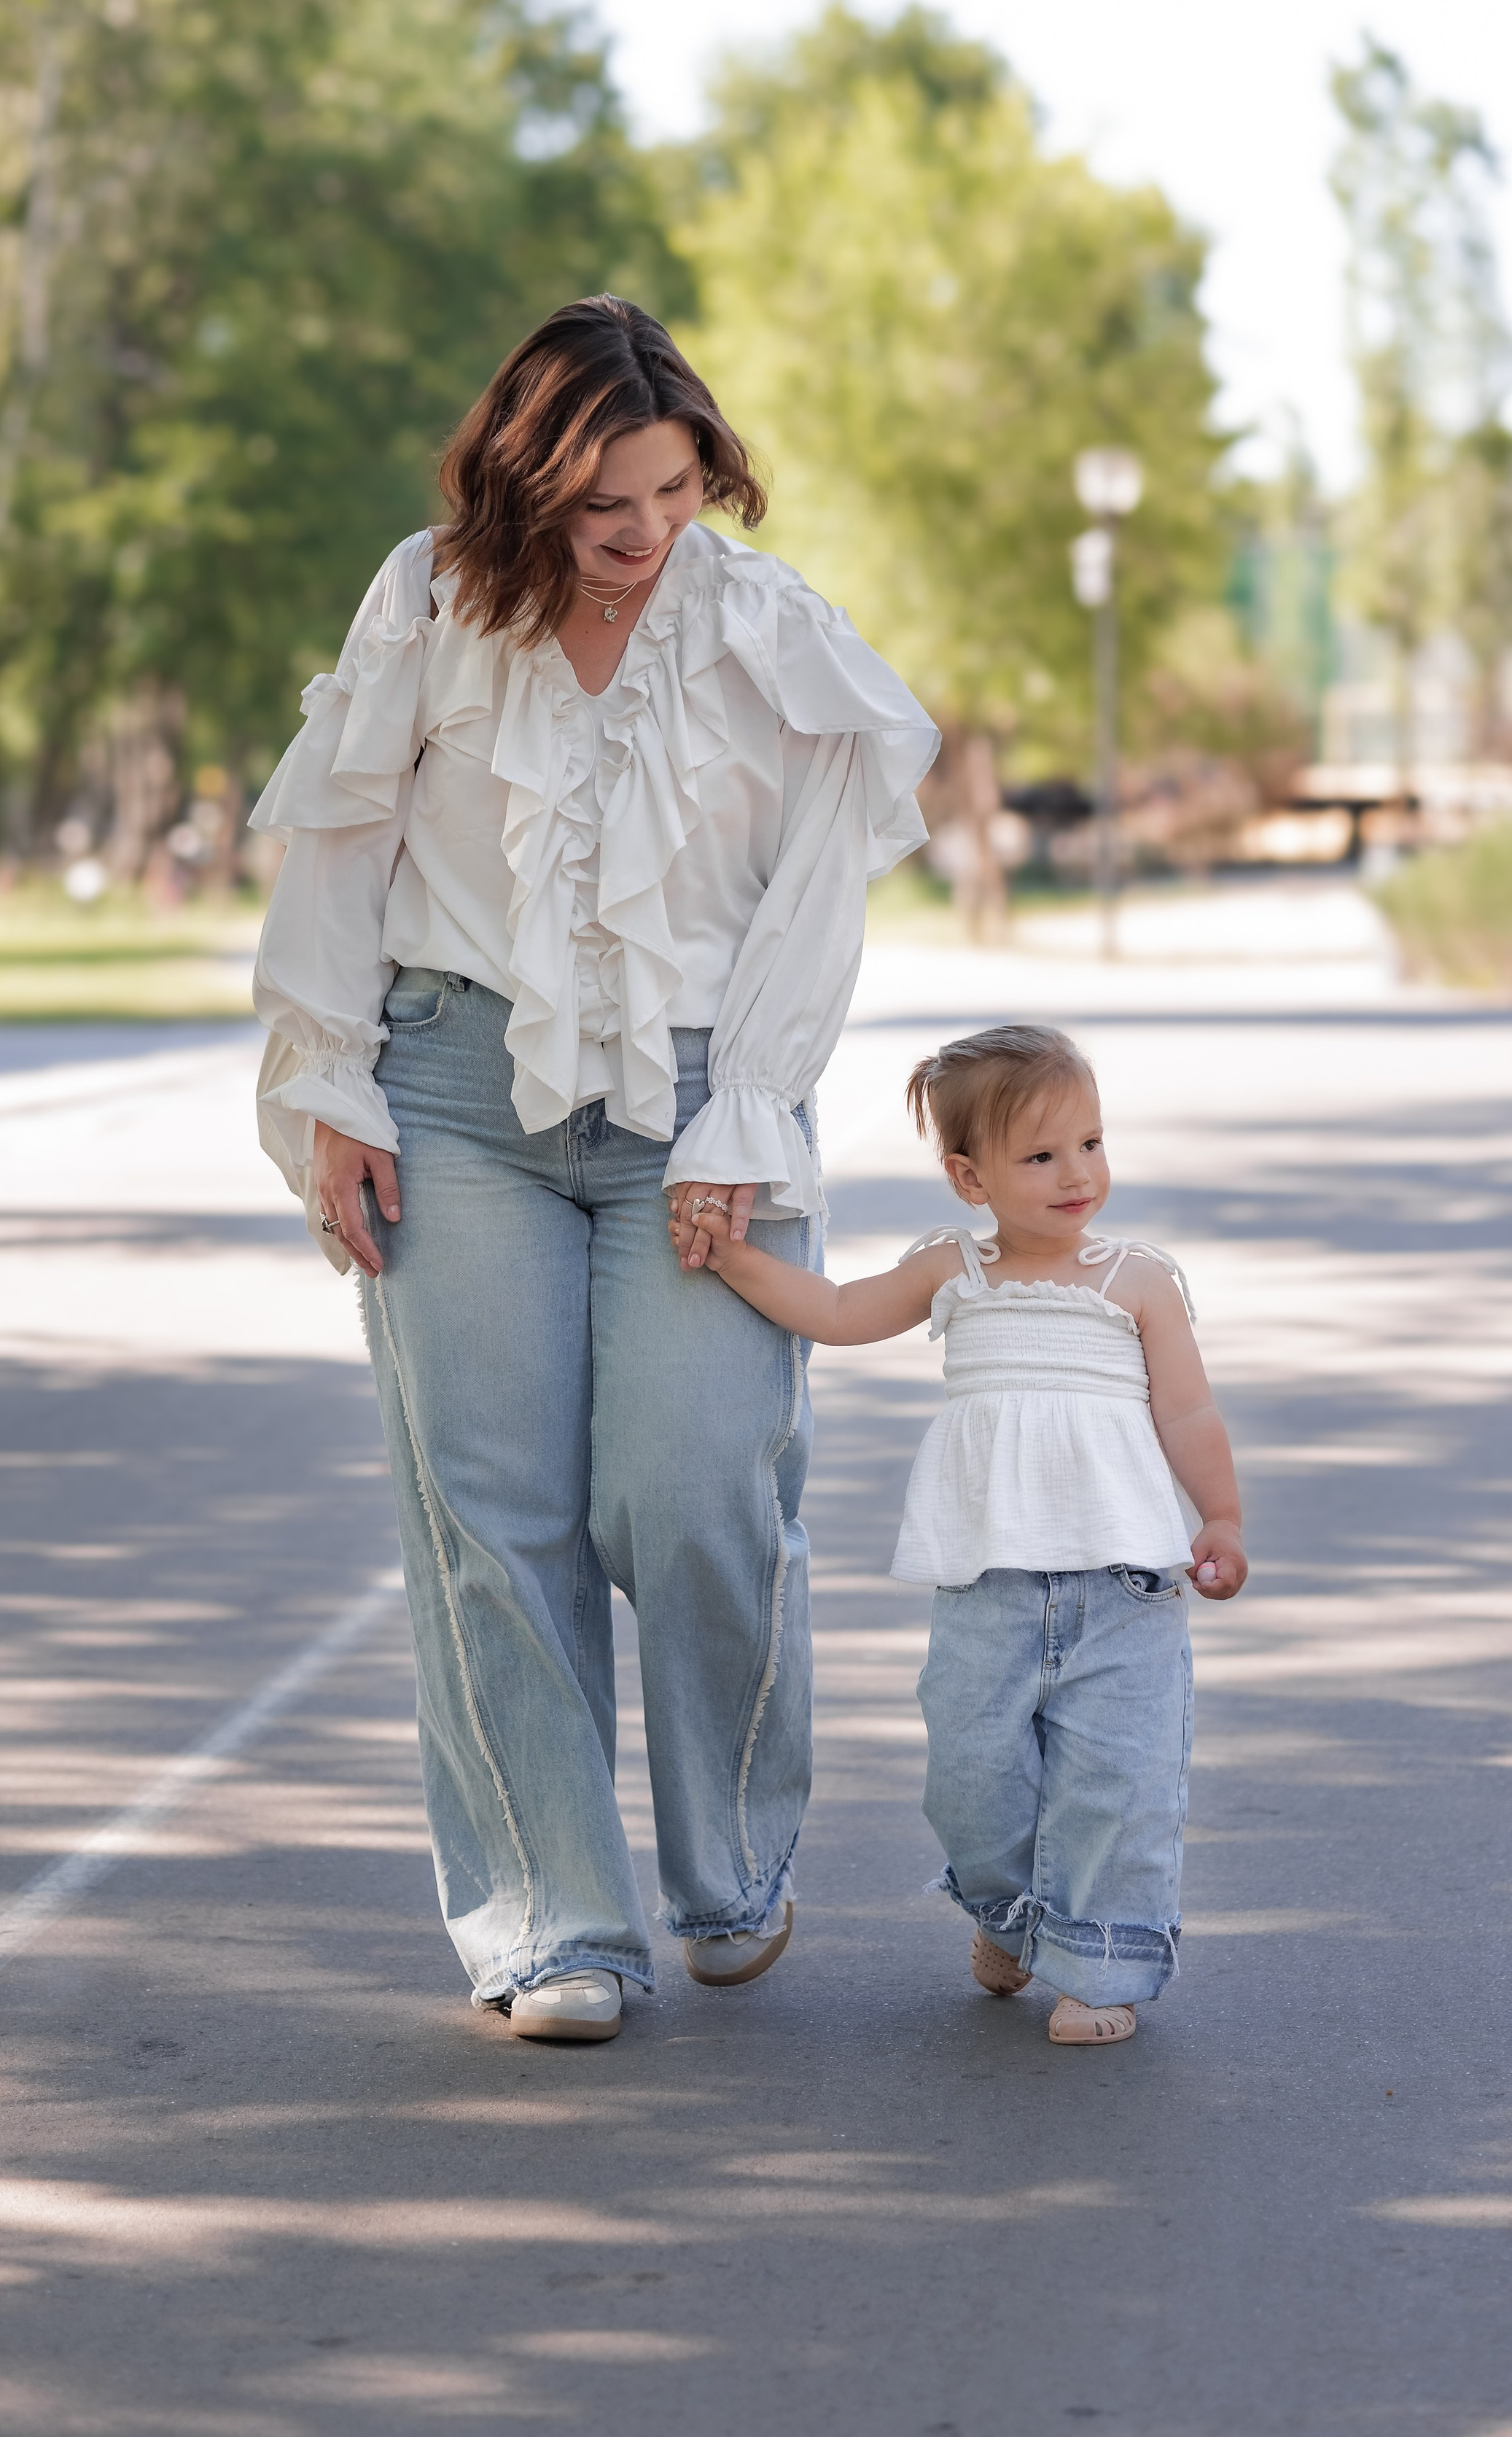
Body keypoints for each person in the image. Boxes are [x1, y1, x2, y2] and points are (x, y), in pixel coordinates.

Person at [247, 296, 937, 2045]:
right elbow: (336, 841)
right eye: (599, 505)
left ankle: (732, 1874)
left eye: (673, 492)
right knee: (490, 1519)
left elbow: (816, 890)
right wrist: (329, 1083)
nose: (641, 535)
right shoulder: (428, 601)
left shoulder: (763, 626)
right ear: (520, 488)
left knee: (696, 1485)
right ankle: (551, 1921)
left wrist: (748, 1112)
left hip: (698, 1106)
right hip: (450, 1090)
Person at [677, 1021, 1247, 2045]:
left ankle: (1099, 1968)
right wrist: (736, 1260)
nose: (1078, 1174)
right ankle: (1011, 1917)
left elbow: (1188, 1412)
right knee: (973, 1782)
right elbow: (838, 1310)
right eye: (1040, 1156)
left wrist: (1223, 1516)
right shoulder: (956, 1270)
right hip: (988, 1587)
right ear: (969, 1177)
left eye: (1091, 1144)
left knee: (1115, 1785)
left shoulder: (1138, 1281)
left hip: (1124, 1586)